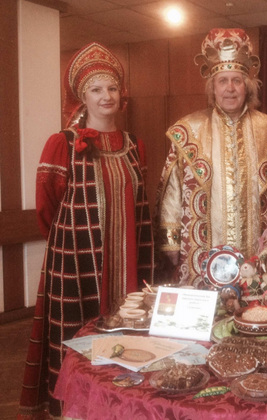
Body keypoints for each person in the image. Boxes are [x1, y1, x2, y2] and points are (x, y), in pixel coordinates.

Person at [19, 42, 154, 419]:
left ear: (121, 94)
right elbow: (46, 207)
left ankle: (125, 403)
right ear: (83, 96)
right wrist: (70, 241)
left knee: (132, 330)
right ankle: (78, 408)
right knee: (78, 333)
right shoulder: (62, 143)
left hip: (131, 256)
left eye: (112, 88)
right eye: (96, 89)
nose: (106, 96)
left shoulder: (135, 145)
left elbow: (141, 200)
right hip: (77, 257)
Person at [155, 28, 267, 286]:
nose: (230, 89)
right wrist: (171, 243)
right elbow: (172, 192)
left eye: (237, 81)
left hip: (259, 249)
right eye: (222, 81)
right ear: (213, 87)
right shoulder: (188, 130)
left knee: (257, 303)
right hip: (200, 250)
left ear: (247, 87)